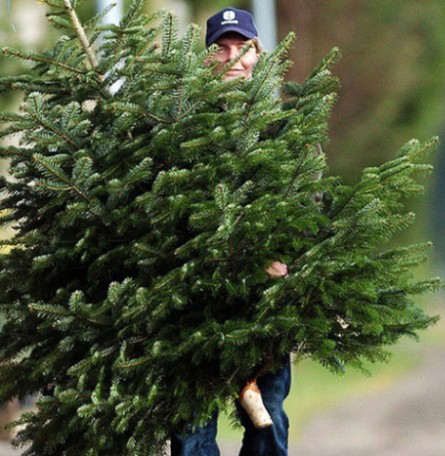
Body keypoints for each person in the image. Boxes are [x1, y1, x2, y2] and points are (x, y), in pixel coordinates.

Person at [170, 7, 291, 456]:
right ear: (206, 59)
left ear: (259, 54)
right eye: (221, 49)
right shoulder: (180, 129)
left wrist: (284, 258)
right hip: (193, 307)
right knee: (191, 427)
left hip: (263, 306)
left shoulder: (283, 129)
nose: (233, 58)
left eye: (243, 48)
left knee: (268, 419)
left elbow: (310, 207)